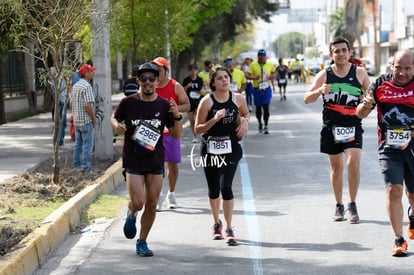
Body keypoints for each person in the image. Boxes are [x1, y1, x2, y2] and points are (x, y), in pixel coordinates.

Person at [111, 63, 182, 257]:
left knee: (151, 203)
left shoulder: (165, 105)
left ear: (157, 81)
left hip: (155, 160)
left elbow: (175, 135)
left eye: (152, 78)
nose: (148, 82)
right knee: (139, 202)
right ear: (138, 81)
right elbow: (114, 118)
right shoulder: (129, 102)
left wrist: (176, 117)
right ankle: (132, 213)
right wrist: (117, 126)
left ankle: (142, 241)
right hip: (133, 158)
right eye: (144, 79)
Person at [304, 37, 370, 223]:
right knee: (336, 168)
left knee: (353, 162)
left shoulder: (359, 73)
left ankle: (353, 203)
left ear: (350, 53)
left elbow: (373, 94)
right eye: (337, 51)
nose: (340, 54)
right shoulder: (324, 75)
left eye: (344, 50)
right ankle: (339, 205)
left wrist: (366, 100)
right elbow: (306, 98)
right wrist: (318, 92)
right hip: (331, 127)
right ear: (331, 54)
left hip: (353, 125)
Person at [356, 49, 414, 257]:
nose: (402, 73)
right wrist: (367, 104)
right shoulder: (380, 84)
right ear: (392, 66)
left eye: (407, 68)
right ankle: (399, 239)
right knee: (394, 190)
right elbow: (360, 113)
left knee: (412, 193)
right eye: (398, 68)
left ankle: (412, 216)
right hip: (389, 148)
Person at [194, 67, 249, 245]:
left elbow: (246, 113)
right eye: (220, 78)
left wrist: (245, 123)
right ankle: (216, 223)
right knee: (213, 189)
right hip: (210, 147)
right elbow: (197, 129)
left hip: (231, 146)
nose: (224, 80)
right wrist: (214, 119)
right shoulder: (207, 102)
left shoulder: (238, 98)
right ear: (213, 83)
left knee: (226, 187)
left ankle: (229, 227)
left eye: (226, 77)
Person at [151, 57, 190, 210]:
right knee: (156, 165)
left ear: (166, 71)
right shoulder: (148, 85)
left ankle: (171, 193)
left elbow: (187, 104)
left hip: (171, 130)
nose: (156, 74)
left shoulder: (175, 85)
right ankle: (158, 195)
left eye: (159, 70)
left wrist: (176, 109)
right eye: (154, 70)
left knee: (172, 165)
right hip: (152, 131)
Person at [71, 63, 97, 173]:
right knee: (87, 146)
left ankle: (76, 166)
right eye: (91, 71)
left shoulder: (76, 85)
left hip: (77, 121)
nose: (93, 73)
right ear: (86, 73)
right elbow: (88, 105)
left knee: (77, 145)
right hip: (86, 121)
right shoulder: (87, 86)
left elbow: (71, 103)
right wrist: (93, 118)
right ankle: (86, 168)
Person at [247, 49, 275, 134]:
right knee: (258, 109)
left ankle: (266, 126)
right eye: (260, 56)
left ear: (265, 56)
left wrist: (271, 78)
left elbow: (273, 72)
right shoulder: (253, 65)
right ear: (258, 56)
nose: (262, 57)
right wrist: (254, 78)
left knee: (266, 108)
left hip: (266, 89)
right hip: (256, 90)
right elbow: (247, 75)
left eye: (263, 56)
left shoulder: (270, 64)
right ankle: (260, 122)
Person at [182, 64, 204, 143]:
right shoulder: (186, 80)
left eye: (194, 70)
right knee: (191, 120)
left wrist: (201, 91)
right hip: (190, 102)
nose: (193, 72)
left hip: (198, 101)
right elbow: (182, 91)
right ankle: (194, 136)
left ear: (197, 71)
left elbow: (202, 89)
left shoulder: (200, 79)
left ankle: (201, 133)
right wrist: (187, 86)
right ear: (189, 72)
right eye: (191, 70)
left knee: (199, 119)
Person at [49, 67, 68, 146]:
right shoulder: (58, 79)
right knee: (61, 122)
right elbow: (59, 92)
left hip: (57, 102)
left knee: (57, 122)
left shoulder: (52, 79)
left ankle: (57, 140)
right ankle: (59, 140)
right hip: (60, 102)